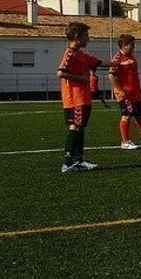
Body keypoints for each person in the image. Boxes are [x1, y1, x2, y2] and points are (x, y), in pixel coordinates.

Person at [57, 21, 102, 172]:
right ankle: (68, 162)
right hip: (75, 98)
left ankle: (78, 160)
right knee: (75, 126)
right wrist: (81, 79)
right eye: (86, 36)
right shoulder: (70, 53)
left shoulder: (80, 54)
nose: (88, 39)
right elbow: (61, 72)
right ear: (77, 37)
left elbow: (98, 62)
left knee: (80, 127)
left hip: (83, 97)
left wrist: (121, 65)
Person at [109, 33, 141, 150]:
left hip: (135, 93)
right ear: (124, 45)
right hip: (125, 94)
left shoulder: (132, 57)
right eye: (132, 45)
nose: (134, 47)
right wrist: (120, 90)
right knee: (126, 116)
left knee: (140, 116)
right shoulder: (117, 59)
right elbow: (111, 76)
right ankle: (125, 141)